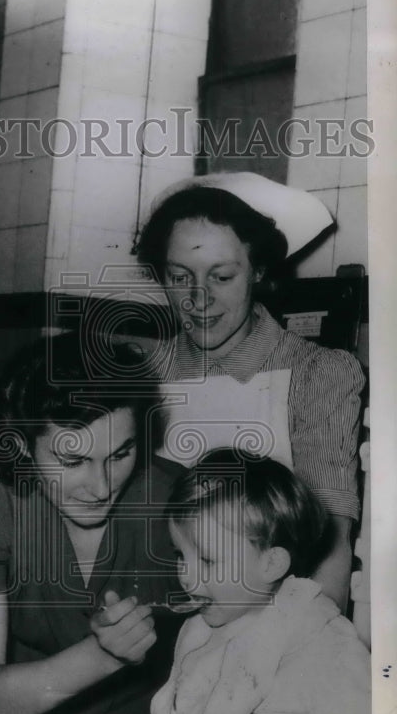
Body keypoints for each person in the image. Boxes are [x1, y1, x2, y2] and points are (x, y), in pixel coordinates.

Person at [0, 331, 186, 714]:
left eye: (121, 454)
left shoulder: (180, 500)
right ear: (23, 445)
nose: (101, 487)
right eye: (73, 460)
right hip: (11, 707)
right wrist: (103, 655)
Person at [137, 173, 365, 611]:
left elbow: (330, 540)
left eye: (221, 277)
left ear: (258, 272)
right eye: (180, 277)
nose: (197, 299)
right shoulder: (140, 375)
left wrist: (306, 644)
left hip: (269, 623)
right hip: (153, 617)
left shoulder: (318, 373)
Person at [151, 449, 371, 714]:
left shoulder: (321, 640)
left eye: (207, 560)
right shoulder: (202, 631)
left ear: (271, 564)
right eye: (180, 555)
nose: (187, 576)